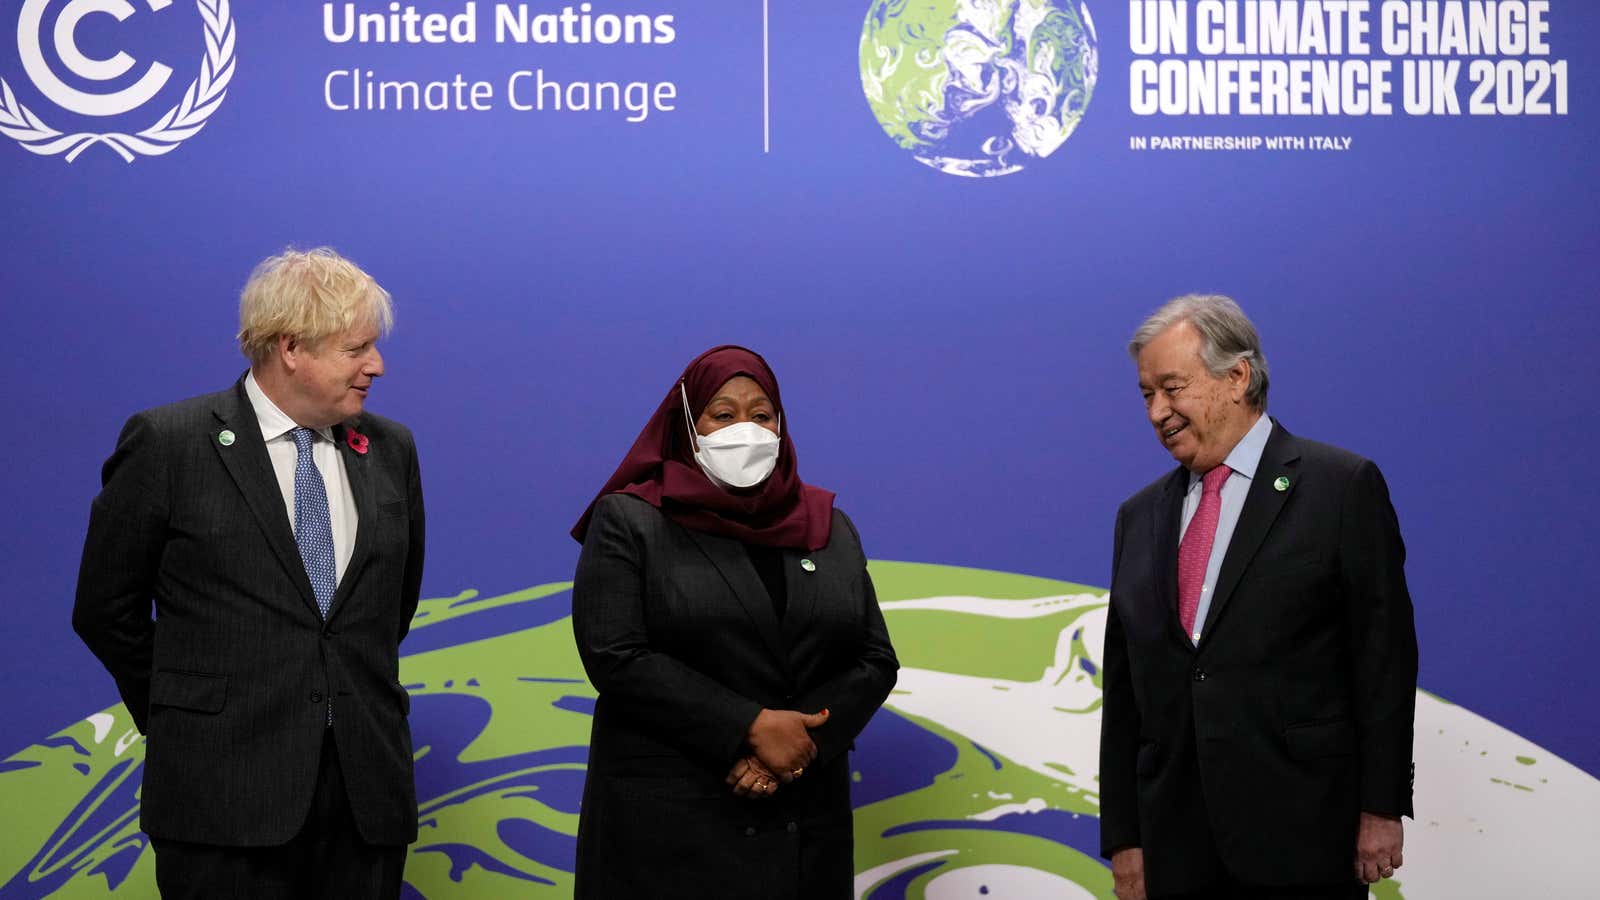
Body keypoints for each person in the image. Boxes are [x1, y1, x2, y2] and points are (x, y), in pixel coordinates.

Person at [72, 248, 425, 899]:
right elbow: (105, 610)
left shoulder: (390, 448)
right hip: (220, 797)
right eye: (357, 349)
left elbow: (388, 611)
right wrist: (196, 715)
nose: (376, 366)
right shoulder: (170, 443)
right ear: (291, 347)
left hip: (364, 797)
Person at [1099, 295, 1418, 900]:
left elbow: (1383, 661)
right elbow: (1125, 691)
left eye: (1172, 387)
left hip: (1304, 835)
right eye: (1147, 395)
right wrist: (1124, 837)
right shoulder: (1137, 517)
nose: (1157, 412)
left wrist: (1380, 808)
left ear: (1237, 375)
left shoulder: (1340, 488)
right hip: (1174, 847)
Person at [569, 344, 899, 899]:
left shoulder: (828, 526)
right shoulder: (632, 519)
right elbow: (616, 655)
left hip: (803, 829)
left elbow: (874, 658)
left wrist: (797, 748)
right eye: (723, 415)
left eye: (761, 414)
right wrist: (749, 726)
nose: (745, 429)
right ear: (688, 427)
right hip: (669, 837)